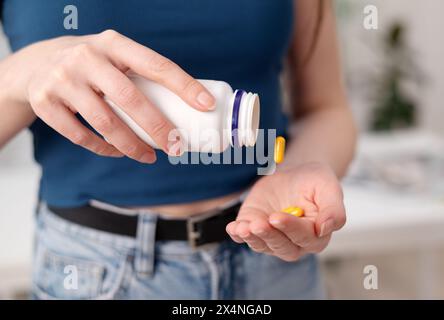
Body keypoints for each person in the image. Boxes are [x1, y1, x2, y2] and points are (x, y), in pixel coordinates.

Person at [0, 0, 356, 299]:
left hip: (274, 262)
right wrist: (27, 72)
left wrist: (301, 168)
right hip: (98, 272)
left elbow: (326, 110)